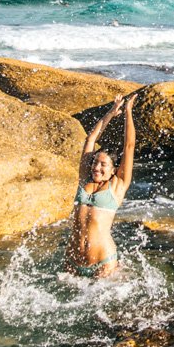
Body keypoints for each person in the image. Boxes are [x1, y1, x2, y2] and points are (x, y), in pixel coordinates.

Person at [66, 93, 136, 277]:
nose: (96, 167)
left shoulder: (118, 185)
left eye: (103, 165)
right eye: (95, 162)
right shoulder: (85, 178)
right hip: (73, 261)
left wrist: (128, 111)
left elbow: (129, 146)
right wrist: (112, 112)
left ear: (113, 170)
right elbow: (90, 139)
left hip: (103, 263)